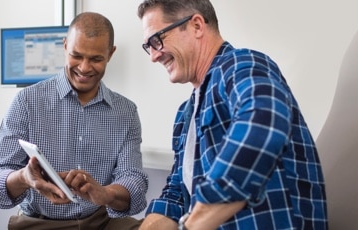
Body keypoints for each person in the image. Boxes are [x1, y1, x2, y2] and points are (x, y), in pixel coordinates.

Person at [137, 0, 328, 229]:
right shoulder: (185, 114)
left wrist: (193, 224)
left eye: (157, 40)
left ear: (197, 26)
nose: (153, 56)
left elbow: (263, 127)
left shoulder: (241, 65)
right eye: (149, 46)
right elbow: (176, 192)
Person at [0, 12, 148, 230]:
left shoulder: (126, 112)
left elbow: (134, 181)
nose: (84, 67)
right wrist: (24, 177)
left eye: (96, 59)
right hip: (38, 222)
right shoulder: (27, 101)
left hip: (102, 221)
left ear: (110, 54)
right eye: (76, 56)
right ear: (64, 46)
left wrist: (105, 193)